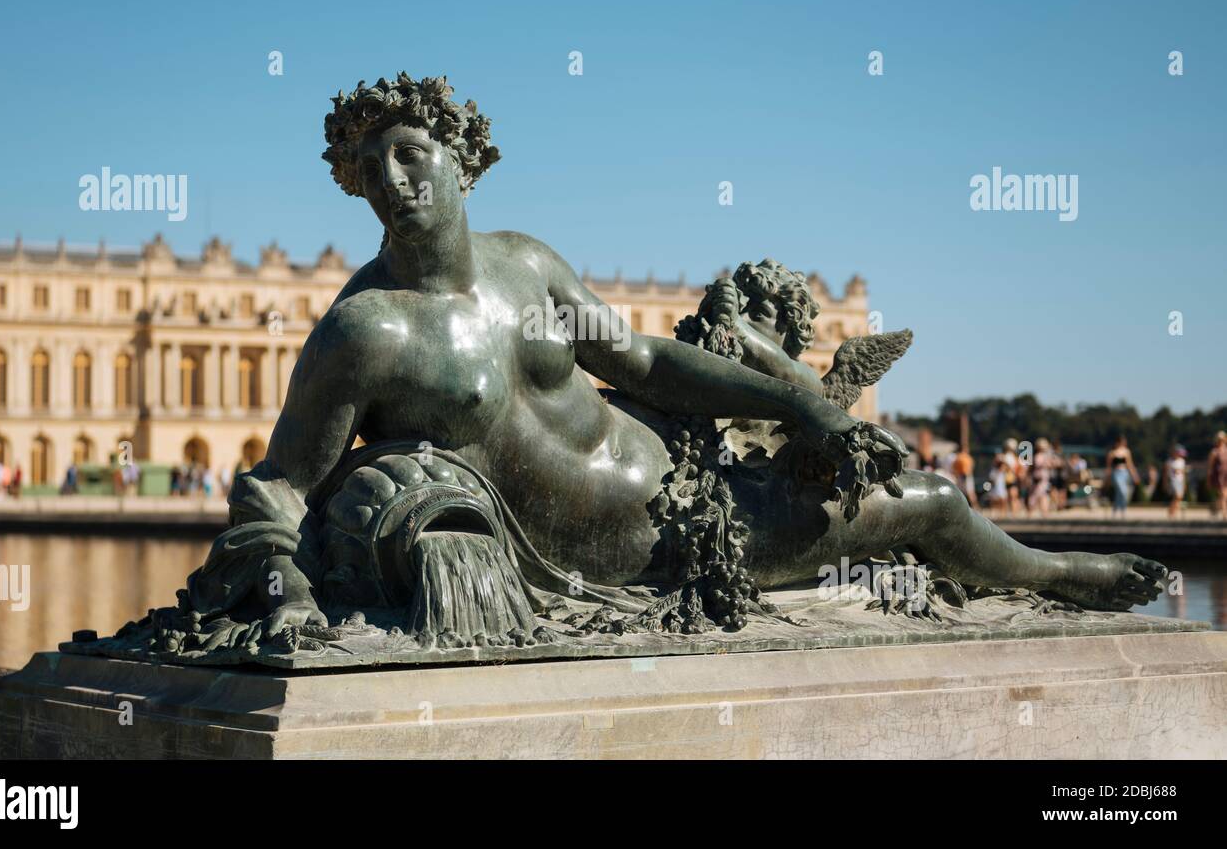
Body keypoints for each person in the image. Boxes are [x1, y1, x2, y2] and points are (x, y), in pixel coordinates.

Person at [179, 72, 1167, 638]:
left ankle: (1050, 572)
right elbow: (280, 490)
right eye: (372, 166)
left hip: (694, 482)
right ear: (353, 185)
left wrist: (797, 406)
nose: (396, 180)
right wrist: (281, 583)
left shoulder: (528, 265)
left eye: (413, 154)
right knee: (934, 507)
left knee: (922, 506)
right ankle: (1061, 573)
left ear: (458, 155)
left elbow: (642, 364)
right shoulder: (367, 333)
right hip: (642, 548)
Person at [1106, 436, 1137, 518]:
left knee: (1120, 494)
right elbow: (1108, 467)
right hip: (1116, 473)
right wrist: (1107, 478)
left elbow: (1130, 464)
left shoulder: (1126, 452)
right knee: (1122, 491)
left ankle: (1117, 511)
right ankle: (1121, 509)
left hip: (1125, 473)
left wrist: (1134, 475)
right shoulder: (1112, 453)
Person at [1164, 445, 1188, 519]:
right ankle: (1171, 512)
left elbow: (1183, 474)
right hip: (1172, 481)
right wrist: (1165, 483)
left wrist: (1184, 484)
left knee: (1178, 498)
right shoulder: (1169, 461)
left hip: (1180, 481)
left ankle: (1173, 512)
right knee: (1177, 496)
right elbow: (1165, 474)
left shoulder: (1182, 461)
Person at [1209, 431, 1227, 521]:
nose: (1221, 441)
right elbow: (1210, 467)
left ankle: (1215, 506)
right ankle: (1224, 515)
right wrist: (1209, 478)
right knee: (1223, 495)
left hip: (1226, 475)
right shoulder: (1214, 452)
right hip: (1219, 476)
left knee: (1224, 495)